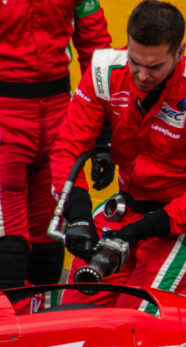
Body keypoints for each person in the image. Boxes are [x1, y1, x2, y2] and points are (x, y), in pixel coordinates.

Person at [51, 0, 186, 309]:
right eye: (135, 61)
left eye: (154, 66)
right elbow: (68, 147)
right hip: (127, 206)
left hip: (181, 218)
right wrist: (78, 215)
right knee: (72, 315)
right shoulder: (104, 71)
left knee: (136, 324)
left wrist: (140, 231)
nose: (141, 75)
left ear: (179, 52)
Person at [0, 0, 112, 290]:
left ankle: (42, 330)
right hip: (4, 116)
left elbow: (96, 50)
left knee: (49, 241)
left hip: (60, 114)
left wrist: (104, 131)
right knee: (6, 248)